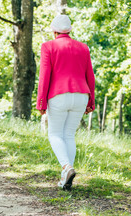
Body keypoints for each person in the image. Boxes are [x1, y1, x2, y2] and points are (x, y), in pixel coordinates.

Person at [36, 14, 95, 190]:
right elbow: (90, 76)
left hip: (58, 95)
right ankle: (65, 178)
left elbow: (44, 76)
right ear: (69, 30)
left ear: (54, 31)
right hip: (81, 94)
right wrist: (91, 100)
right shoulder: (83, 48)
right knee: (69, 135)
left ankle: (67, 167)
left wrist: (41, 102)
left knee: (54, 134)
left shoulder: (48, 46)